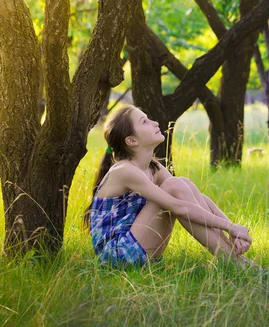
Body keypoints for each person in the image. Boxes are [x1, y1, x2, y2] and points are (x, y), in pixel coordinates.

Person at [83, 105, 254, 268]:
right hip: (117, 255)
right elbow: (179, 207)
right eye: (145, 122)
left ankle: (233, 255)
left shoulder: (152, 167)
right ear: (132, 140)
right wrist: (230, 227)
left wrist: (233, 229)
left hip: (137, 245)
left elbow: (195, 198)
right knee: (175, 186)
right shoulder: (125, 170)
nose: (155, 123)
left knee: (181, 183)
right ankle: (232, 260)